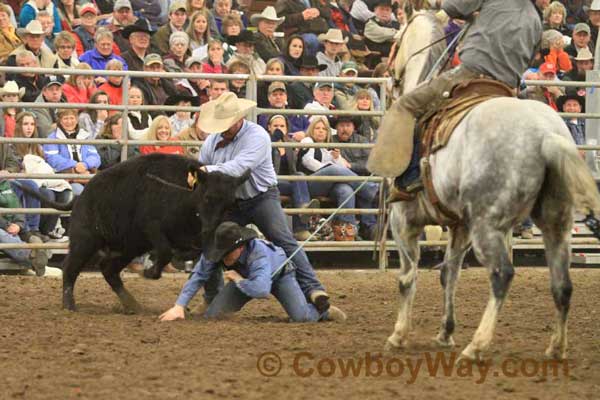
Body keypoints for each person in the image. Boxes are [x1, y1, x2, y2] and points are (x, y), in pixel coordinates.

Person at [371, 0, 543, 202]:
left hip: (470, 73)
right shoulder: (536, 19)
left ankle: (408, 177)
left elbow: (455, 7)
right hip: (506, 86)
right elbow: (531, 58)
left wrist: (449, 10)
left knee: (406, 105)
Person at [197, 93, 331, 311]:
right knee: (213, 240)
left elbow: (239, 168)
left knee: (282, 238)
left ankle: (313, 289)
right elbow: (201, 166)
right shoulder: (211, 141)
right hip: (232, 202)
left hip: (261, 196)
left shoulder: (258, 135)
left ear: (238, 119)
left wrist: (205, 171)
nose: (222, 128)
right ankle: (211, 296)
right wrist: (196, 174)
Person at [159, 222, 346, 322]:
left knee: (301, 317)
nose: (223, 258)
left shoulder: (259, 254)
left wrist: (239, 279)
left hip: (280, 276)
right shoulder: (216, 252)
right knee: (214, 315)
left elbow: (262, 289)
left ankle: (323, 312)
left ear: (240, 247)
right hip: (247, 279)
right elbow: (199, 275)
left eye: (227, 253)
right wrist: (179, 306)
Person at [298, 116, 378, 240]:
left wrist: (336, 158)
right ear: (311, 130)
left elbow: (343, 167)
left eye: (324, 129)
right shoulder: (308, 141)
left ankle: (347, 230)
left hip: (327, 184)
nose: (320, 131)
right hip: (309, 183)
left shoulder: (327, 146)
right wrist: (329, 167)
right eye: (317, 128)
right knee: (333, 170)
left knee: (346, 190)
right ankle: (371, 189)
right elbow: (307, 161)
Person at [12, 111, 73, 238]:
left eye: (32, 124)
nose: (29, 128)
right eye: (25, 124)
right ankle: (38, 230)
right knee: (47, 194)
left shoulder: (38, 146)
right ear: (18, 126)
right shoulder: (12, 145)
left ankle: (48, 229)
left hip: (42, 180)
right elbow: (14, 168)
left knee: (65, 193)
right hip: (25, 180)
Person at [267, 114, 318, 241]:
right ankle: (301, 227)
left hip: (289, 182)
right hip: (271, 181)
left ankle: (302, 212)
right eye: (275, 126)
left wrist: (301, 152)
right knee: (298, 185)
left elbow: (294, 167)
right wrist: (273, 141)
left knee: (299, 176)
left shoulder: (289, 144)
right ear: (269, 127)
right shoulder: (265, 142)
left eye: (282, 126)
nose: (279, 128)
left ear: (287, 128)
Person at [43, 108, 101, 195]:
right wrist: (75, 165)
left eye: (72, 118)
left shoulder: (85, 135)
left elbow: (96, 157)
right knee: (80, 192)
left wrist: (85, 165)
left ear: (77, 120)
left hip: (86, 173)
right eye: (65, 118)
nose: (69, 121)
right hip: (66, 178)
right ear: (60, 121)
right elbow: (52, 158)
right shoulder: (52, 137)